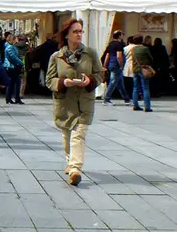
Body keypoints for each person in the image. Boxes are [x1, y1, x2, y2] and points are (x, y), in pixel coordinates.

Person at [46, 18, 103, 186]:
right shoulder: (57, 56)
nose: (79, 34)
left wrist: (90, 80)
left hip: (84, 101)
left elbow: (100, 74)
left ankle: (75, 169)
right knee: (67, 133)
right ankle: (70, 160)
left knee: (79, 134)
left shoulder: (90, 53)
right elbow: (49, 80)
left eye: (80, 31)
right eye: (75, 31)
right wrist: (64, 82)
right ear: (66, 35)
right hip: (65, 102)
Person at [102, 31, 130, 105]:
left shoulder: (110, 44)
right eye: (122, 35)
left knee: (120, 83)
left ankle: (126, 99)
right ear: (119, 36)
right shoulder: (119, 45)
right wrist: (121, 65)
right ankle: (106, 99)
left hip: (111, 64)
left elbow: (107, 56)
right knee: (113, 82)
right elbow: (119, 56)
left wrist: (105, 66)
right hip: (116, 65)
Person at [131, 35, 153, 112]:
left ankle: (135, 105)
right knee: (145, 87)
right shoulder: (145, 49)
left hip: (135, 69)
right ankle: (147, 107)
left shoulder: (133, 49)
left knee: (135, 88)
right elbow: (151, 58)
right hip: (144, 69)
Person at [3, 34, 24, 105]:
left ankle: (9, 99)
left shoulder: (11, 46)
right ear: (13, 39)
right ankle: (15, 99)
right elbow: (13, 57)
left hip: (12, 66)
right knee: (16, 82)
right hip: (11, 67)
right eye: (16, 38)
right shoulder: (10, 47)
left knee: (12, 83)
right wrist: (21, 63)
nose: (17, 40)